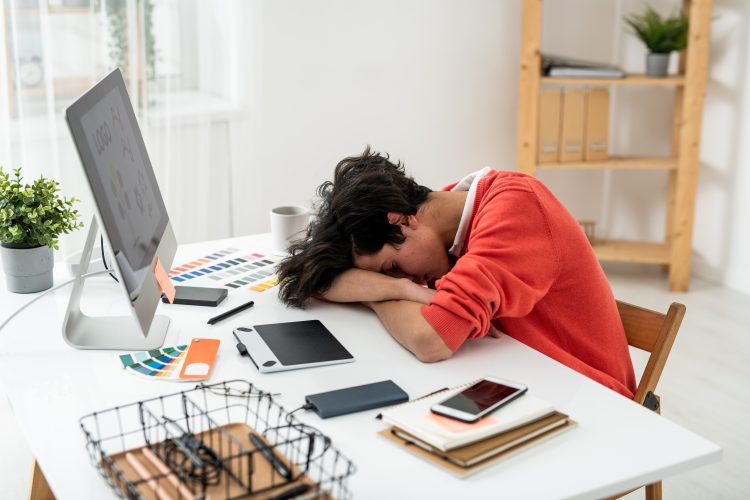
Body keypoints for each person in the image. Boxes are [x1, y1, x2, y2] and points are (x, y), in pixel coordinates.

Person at [277, 147, 636, 398]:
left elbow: (432, 341)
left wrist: (377, 294)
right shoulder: (443, 215)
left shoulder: (517, 211)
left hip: (587, 399)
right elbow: (319, 281)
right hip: (511, 380)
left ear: (401, 221)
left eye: (392, 268)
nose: (402, 278)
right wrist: (402, 292)